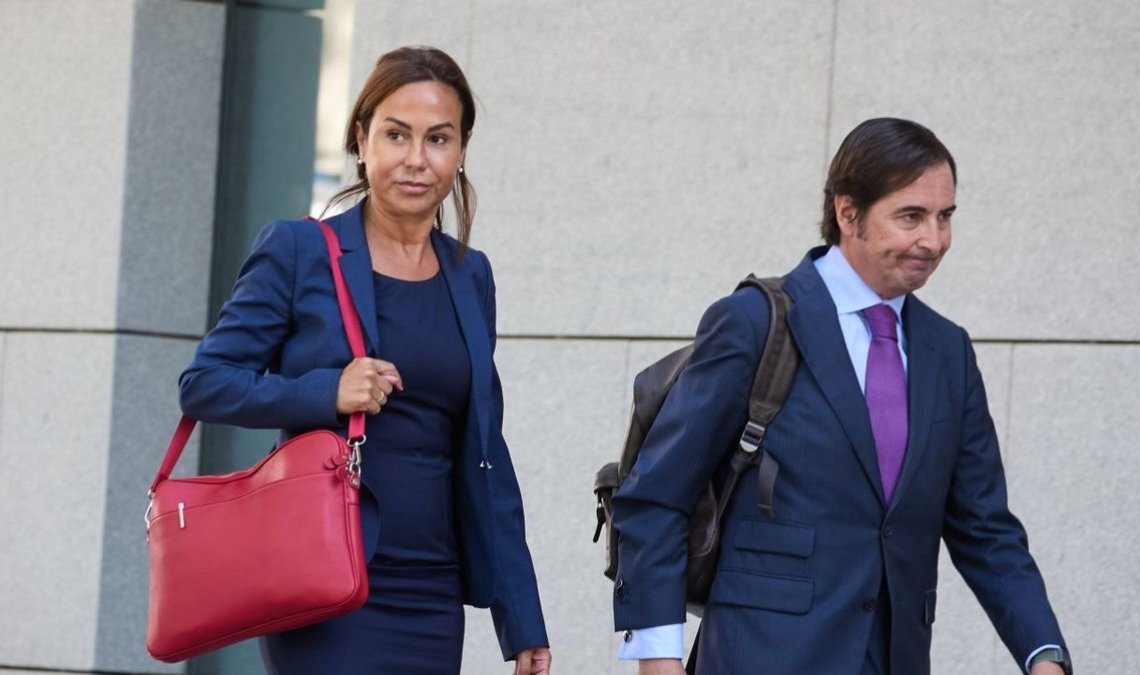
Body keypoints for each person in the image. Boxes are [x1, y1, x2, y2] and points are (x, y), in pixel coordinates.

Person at [611, 118, 1070, 675]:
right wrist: (658, 658)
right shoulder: (755, 323)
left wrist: (1043, 653)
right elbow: (656, 495)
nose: (934, 240)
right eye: (911, 216)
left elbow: (985, 527)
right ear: (848, 213)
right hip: (760, 657)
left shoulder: (948, 352)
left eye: (945, 217)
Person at [179, 46, 551, 675]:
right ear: (362, 140)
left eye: (438, 138)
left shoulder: (470, 274)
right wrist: (326, 391)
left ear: (461, 151)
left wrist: (521, 620)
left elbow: (487, 450)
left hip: (433, 589)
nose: (416, 158)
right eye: (396, 134)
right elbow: (205, 384)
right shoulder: (299, 250)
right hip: (326, 580)